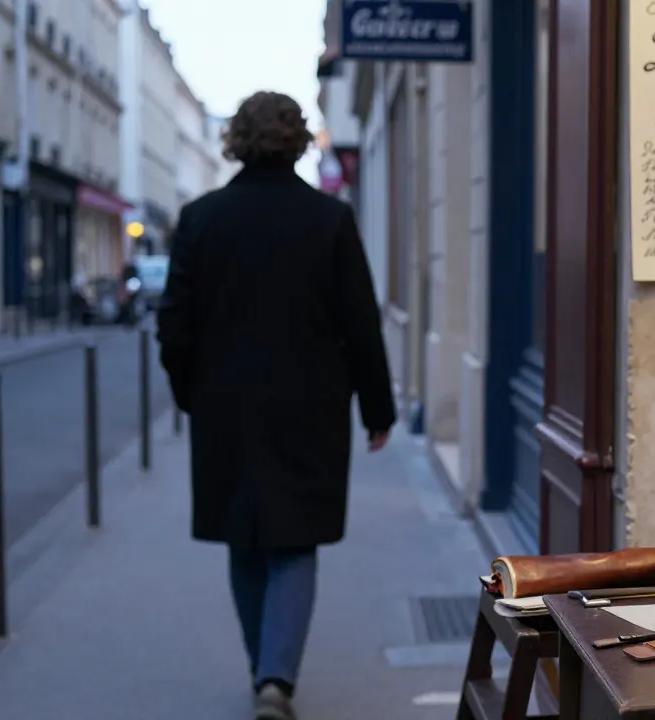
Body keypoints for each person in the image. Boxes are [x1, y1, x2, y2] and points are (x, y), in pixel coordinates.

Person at [157, 90, 396, 720]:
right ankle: (276, 679)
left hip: (224, 406)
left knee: (245, 540)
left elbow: (173, 326)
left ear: (235, 140)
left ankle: (264, 669)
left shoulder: (201, 218)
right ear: (297, 141)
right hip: (309, 407)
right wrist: (378, 409)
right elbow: (360, 323)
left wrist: (191, 396)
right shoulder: (329, 220)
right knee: (294, 543)